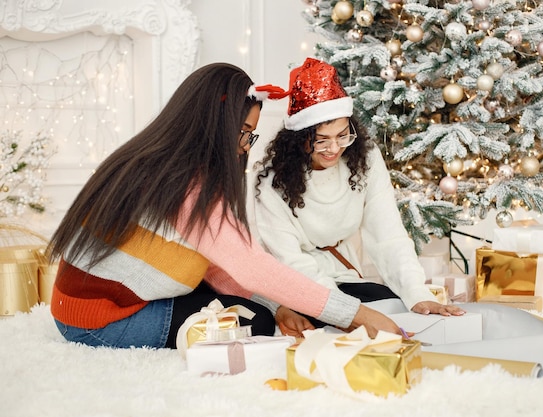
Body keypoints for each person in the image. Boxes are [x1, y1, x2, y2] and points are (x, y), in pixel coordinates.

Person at [45, 62, 403, 349]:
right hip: (99, 321)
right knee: (254, 321)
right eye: (244, 132)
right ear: (215, 125)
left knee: (259, 309)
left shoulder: (160, 161)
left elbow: (216, 263)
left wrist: (278, 305)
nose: (247, 145)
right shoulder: (186, 183)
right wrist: (355, 315)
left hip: (84, 306)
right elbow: (248, 265)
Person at [250, 58, 465, 337]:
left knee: (393, 307)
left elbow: (387, 235)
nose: (334, 148)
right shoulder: (269, 181)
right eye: (321, 140)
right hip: (294, 284)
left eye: (342, 135)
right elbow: (293, 264)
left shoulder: (364, 159)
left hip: (344, 276)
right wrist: (346, 315)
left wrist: (417, 293)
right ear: (298, 139)